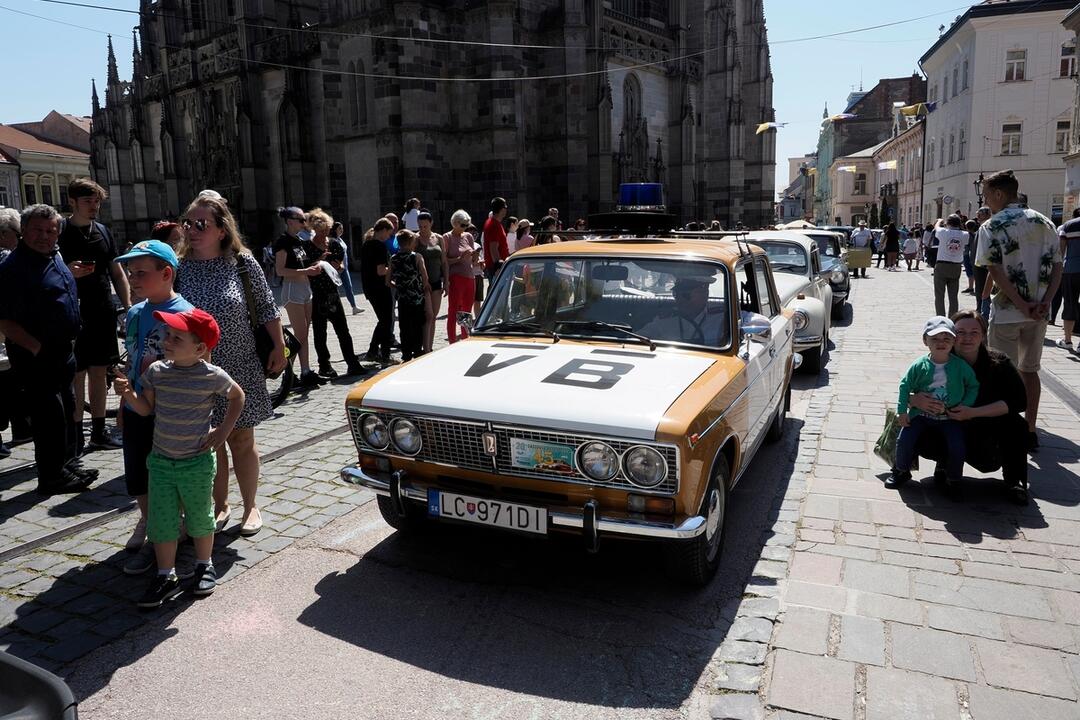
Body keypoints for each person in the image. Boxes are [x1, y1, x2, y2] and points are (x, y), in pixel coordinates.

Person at [113, 308, 244, 607]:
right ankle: (165, 574)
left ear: (199, 348)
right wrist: (128, 394)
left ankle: (204, 564)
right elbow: (146, 409)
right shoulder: (157, 372)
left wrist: (223, 431)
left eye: (176, 337)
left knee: (200, 518)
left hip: (196, 463)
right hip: (160, 462)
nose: (167, 341)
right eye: (167, 335)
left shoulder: (212, 376)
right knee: (162, 521)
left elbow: (238, 396)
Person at [175, 193, 286, 537]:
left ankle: (250, 505)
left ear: (222, 230)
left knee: (241, 439)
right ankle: (219, 504)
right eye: (188, 224)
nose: (192, 231)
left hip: (239, 365)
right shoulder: (178, 267)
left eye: (201, 224)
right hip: (193, 371)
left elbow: (267, 308)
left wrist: (279, 348)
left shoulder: (242, 262)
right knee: (210, 443)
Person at [0, 204, 97, 494]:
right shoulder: (12, 268)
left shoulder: (53, 255)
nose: (45, 235)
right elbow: (4, 319)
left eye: (51, 230)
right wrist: (36, 347)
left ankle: (65, 464)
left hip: (62, 351)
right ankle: (51, 476)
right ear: (23, 231)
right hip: (36, 355)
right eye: (38, 230)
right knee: (48, 417)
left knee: (66, 410)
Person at [114, 239, 195, 572]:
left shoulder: (187, 315)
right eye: (130, 273)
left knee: (168, 476)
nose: (132, 279)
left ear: (166, 273)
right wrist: (124, 404)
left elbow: (203, 369)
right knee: (138, 474)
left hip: (171, 415)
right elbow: (134, 362)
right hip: (137, 408)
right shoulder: (134, 313)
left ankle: (168, 533)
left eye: (140, 273)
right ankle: (150, 522)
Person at [975, 170, 1063, 451]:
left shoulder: (992, 225)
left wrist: (1020, 302)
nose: (986, 201)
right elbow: (1057, 266)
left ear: (999, 194)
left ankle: (1004, 431)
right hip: (1039, 312)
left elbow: (994, 270)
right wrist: (1045, 301)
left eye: (987, 195)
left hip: (1007, 312)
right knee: (1030, 370)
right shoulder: (1045, 222)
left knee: (1002, 373)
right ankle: (1030, 429)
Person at [910, 311, 1030, 504]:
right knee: (913, 421)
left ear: (983, 335)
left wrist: (973, 413)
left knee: (1016, 424)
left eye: (974, 332)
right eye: (960, 332)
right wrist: (915, 400)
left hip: (986, 429)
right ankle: (943, 465)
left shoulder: (999, 362)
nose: (967, 338)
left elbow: (1019, 401)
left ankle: (1014, 481)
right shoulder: (936, 360)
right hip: (946, 424)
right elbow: (907, 389)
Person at [59, 178, 130, 452]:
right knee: (77, 373)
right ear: (73, 202)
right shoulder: (61, 231)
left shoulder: (103, 231)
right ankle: (76, 435)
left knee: (100, 372)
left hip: (102, 310)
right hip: (73, 311)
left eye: (97, 201)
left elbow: (116, 271)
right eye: (88, 201)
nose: (94, 207)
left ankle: (98, 432)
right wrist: (68, 270)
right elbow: (51, 269)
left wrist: (128, 304)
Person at [886, 316, 979, 497]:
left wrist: (966, 405)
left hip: (949, 416)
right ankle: (901, 470)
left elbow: (973, 385)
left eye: (946, 339)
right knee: (904, 438)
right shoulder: (919, 365)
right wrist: (902, 411)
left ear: (954, 341)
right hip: (921, 415)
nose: (941, 343)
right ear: (925, 341)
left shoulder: (959, 366)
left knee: (957, 445)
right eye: (935, 339)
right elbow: (904, 386)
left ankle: (953, 479)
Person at [304, 209, 364, 377]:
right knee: (320, 331)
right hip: (315, 293)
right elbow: (306, 269)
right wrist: (321, 260)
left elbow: (342, 267)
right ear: (314, 229)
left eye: (327, 230)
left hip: (332, 292)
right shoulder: (306, 246)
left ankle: (352, 362)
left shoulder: (335, 244)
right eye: (321, 230)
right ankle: (325, 365)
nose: (325, 233)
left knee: (343, 330)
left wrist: (339, 266)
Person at [273, 206, 324, 389]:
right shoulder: (283, 242)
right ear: (290, 221)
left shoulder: (299, 241)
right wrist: (307, 270)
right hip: (292, 289)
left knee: (304, 334)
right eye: (301, 220)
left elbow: (302, 264)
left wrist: (318, 262)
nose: (305, 223)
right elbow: (280, 271)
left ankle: (305, 371)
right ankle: (288, 374)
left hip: (305, 288)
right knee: (299, 335)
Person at [641, 276, 728, 346]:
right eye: (676, 294)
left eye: (686, 295)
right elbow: (639, 337)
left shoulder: (721, 319)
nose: (680, 299)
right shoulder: (665, 318)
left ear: (704, 293)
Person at [390, 230, 430, 361]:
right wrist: (425, 288)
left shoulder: (393, 258)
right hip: (417, 298)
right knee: (417, 325)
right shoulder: (417, 257)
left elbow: (387, 280)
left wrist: (399, 286)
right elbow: (424, 276)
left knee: (404, 326)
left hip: (403, 298)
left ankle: (406, 353)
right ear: (410, 242)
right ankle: (417, 351)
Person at [360, 218, 395, 362]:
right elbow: (381, 270)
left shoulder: (366, 245)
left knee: (383, 320)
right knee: (386, 321)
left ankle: (373, 351)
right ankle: (384, 354)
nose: (389, 237)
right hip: (380, 287)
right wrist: (393, 269)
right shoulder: (379, 246)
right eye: (389, 233)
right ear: (384, 230)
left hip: (369, 287)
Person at [417, 211, 447, 354]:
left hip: (436, 281)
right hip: (422, 283)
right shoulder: (415, 239)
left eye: (425, 226)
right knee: (427, 316)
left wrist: (446, 281)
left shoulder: (439, 238)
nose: (422, 229)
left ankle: (430, 344)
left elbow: (444, 262)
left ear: (431, 224)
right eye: (420, 226)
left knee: (433, 316)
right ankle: (426, 348)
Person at [444, 210, 475, 343]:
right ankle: (452, 340)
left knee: (467, 310)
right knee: (454, 309)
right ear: (455, 223)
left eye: (466, 225)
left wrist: (475, 257)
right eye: (463, 225)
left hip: (470, 276)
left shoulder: (468, 236)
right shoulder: (447, 237)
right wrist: (459, 258)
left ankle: (465, 337)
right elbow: (444, 261)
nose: (465, 228)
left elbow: (473, 260)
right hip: (455, 277)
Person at [933, 215, 967, 317]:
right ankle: (953, 318)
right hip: (956, 266)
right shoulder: (964, 234)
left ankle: (940, 317)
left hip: (942, 265)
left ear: (948, 223)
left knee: (939, 295)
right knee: (953, 296)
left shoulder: (943, 232)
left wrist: (939, 221)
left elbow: (936, 227)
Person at [1056, 208, 1080, 351]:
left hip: (1071, 269)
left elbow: (1060, 252)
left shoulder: (1068, 226)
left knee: (1070, 303)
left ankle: (1068, 340)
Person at [329, 222, 361, 316]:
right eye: (339, 228)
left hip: (345, 268)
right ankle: (331, 309)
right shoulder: (332, 240)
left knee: (349, 287)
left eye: (342, 228)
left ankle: (354, 307)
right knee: (333, 289)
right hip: (336, 268)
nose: (342, 230)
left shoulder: (340, 239)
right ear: (335, 229)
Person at [482, 197, 509, 284]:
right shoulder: (494, 225)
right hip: (497, 269)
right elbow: (493, 248)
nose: (506, 210)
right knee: (499, 295)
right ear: (502, 209)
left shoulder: (493, 222)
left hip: (496, 266)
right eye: (505, 207)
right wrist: (499, 268)